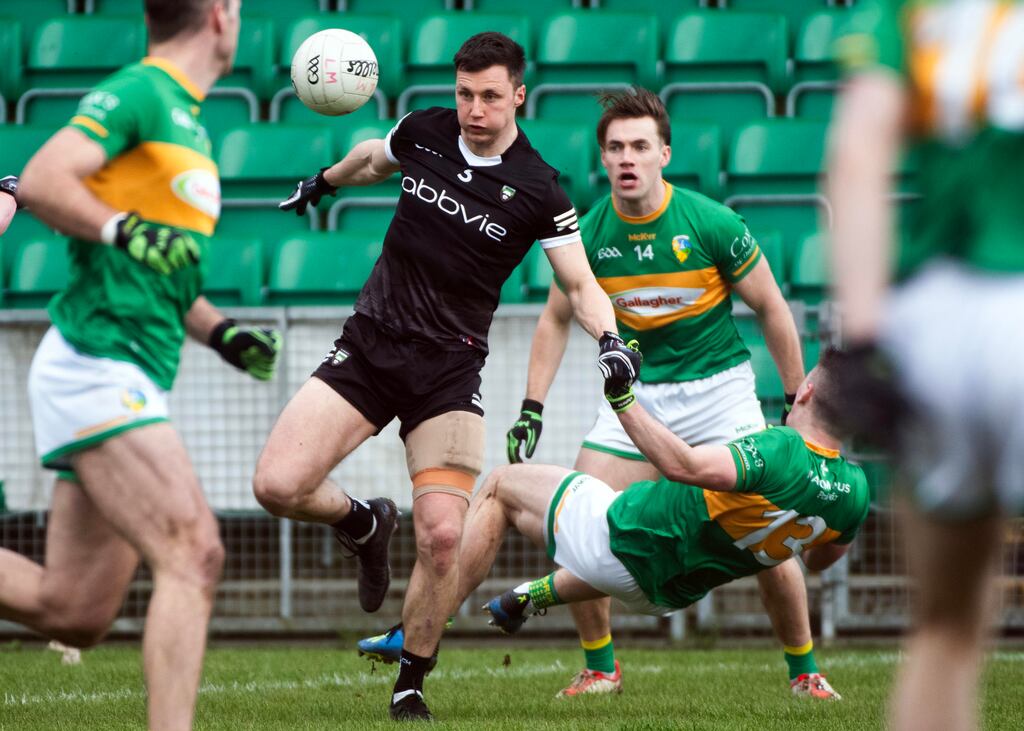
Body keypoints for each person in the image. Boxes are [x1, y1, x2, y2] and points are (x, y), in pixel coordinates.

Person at [359, 87, 830, 700]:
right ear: (602, 159)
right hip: (636, 398)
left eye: (639, 145)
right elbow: (556, 319)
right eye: (615, 147)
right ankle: (600, 666)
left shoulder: (712, 222)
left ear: (665, 152)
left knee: (761, 534)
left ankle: (804, 672)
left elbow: (770, 306)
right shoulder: (589, 233)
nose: (627, 158)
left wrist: (795, 396)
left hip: (720, 394)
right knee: (580, 526)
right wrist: (533, 405)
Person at [253, 32, 633, 722]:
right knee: (276, 484)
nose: (474, 109)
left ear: (518, 94)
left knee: (442, 536)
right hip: (369, 346)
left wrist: (611, 339)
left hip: (448, 372)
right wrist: (324, 181)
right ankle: (365, 523)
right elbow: (374, 156)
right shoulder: (426, 130)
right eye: (464, 93)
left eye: (490, 95)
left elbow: (580, 283)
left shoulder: (540, 188)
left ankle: (410, 684)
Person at [0, 3, 282, 730]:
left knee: (75, 608)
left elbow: (161, 268)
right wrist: (123, 227)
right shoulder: (142, 92)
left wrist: (219, 332)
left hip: (127, 366)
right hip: (97, 360)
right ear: (220, 16)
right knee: (195, 551)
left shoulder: (186, 119)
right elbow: (39, 179)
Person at [451, 348, 868, 704]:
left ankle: (425, 625)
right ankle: (531, 594)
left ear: (807, 391)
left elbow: (681, 465)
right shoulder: (855, 491)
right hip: (668, 593)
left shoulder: (779, 447)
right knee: (620, 559)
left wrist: (622, 397)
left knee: (500, 485)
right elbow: (816, 562)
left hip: (624, 535)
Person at [828, 2, 1024, 729]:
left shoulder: (915, 10)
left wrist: (862, 333)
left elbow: (857, 154)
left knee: (944, 621)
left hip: (940, 325)